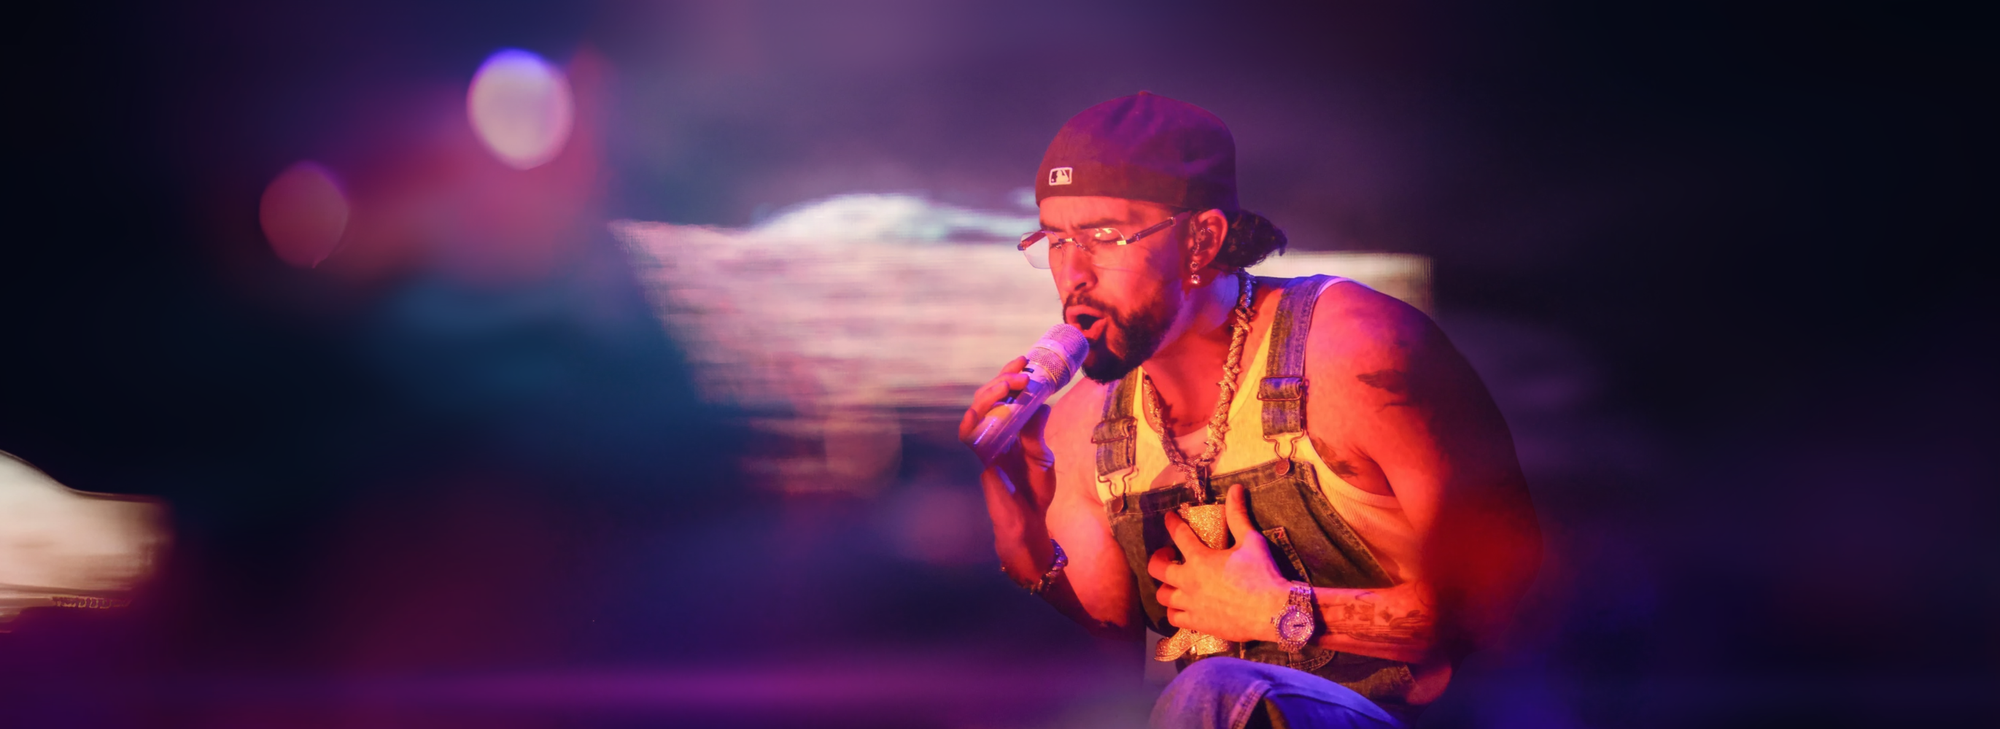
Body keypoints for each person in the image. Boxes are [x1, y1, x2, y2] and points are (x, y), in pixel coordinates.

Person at [959, 93, 1542, 728]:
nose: (1073, 273)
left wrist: (1283, 612)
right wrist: (1022, 531)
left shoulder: (1358, 352)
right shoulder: (1083, 428)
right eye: (1055, 240)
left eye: (1104, 236)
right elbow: (1105, 679)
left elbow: (1509, 603)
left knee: (1216, 688)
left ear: (1201, 240)